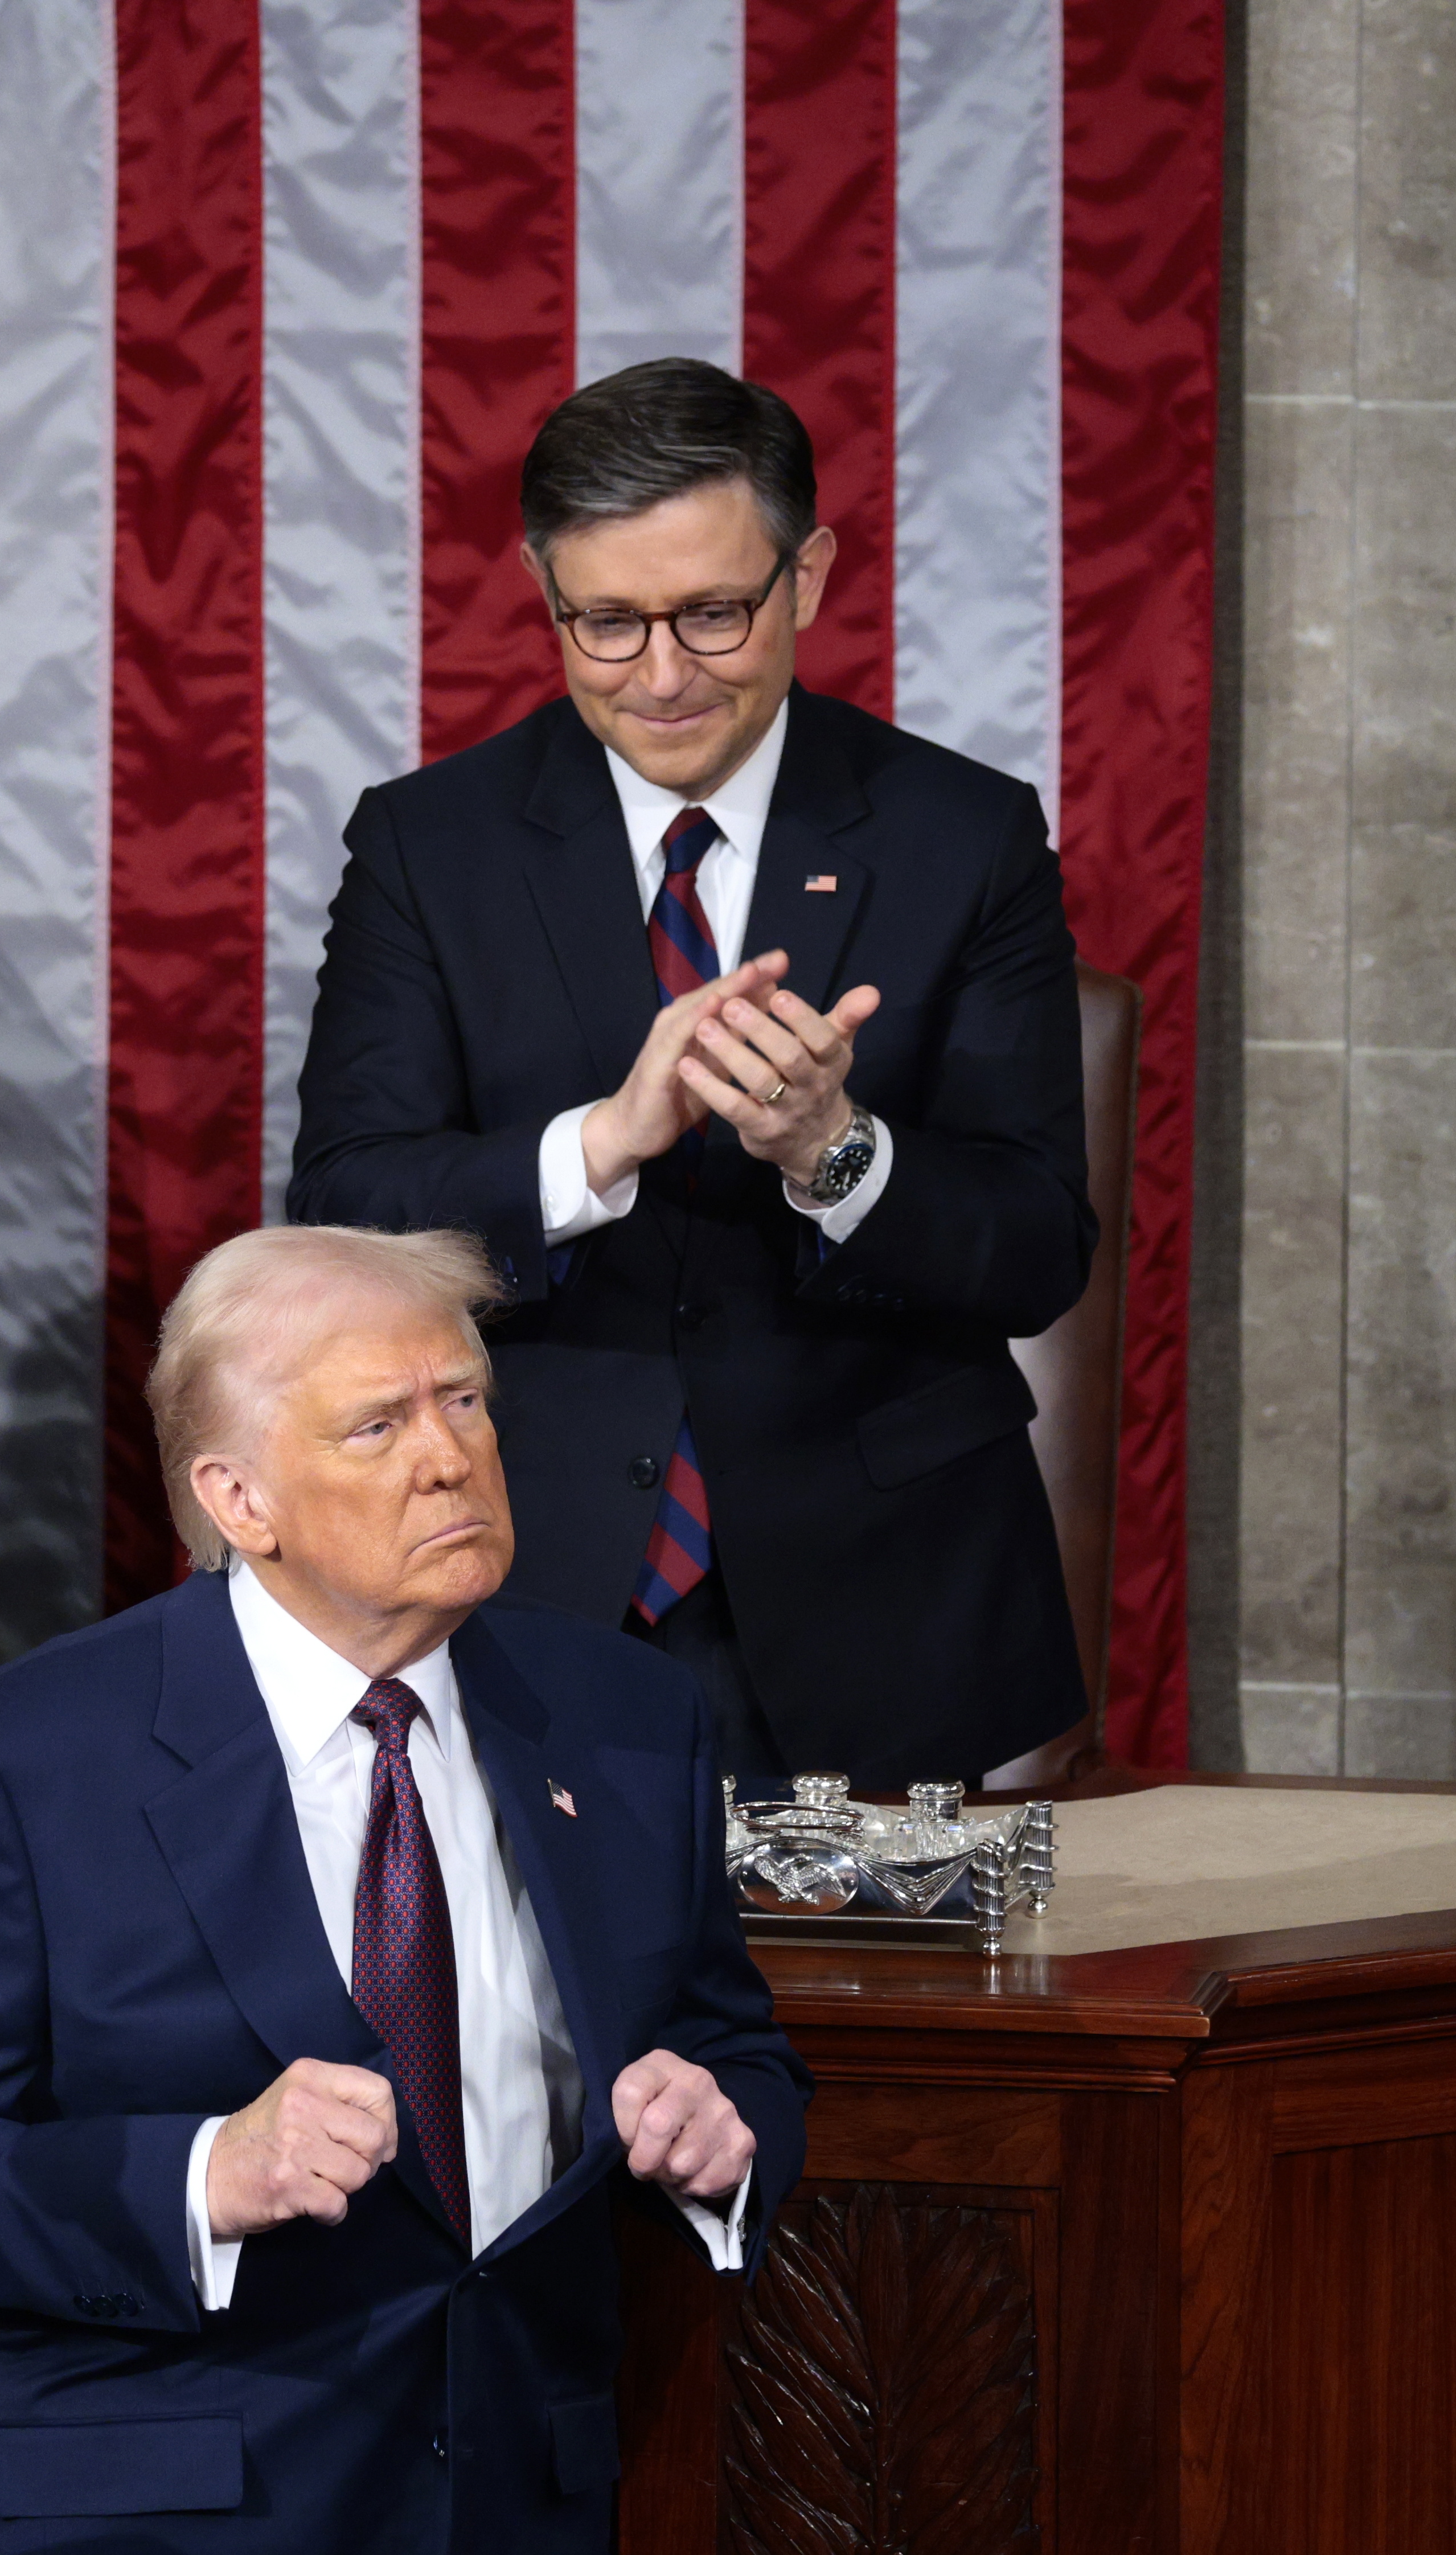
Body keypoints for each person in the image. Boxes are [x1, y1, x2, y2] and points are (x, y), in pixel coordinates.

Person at [0, 1225, 810, 2555]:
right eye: (377, 1424)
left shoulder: (627, 1719)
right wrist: (204, 2174)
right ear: (238, 1497)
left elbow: (733, 2046)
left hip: (514, 2541)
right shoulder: (24, 1763)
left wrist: (724, 2131)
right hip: (146, 2554)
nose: (448, 1456)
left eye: (462, 1400)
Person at [288, 359, 1093, 1790]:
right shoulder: (430, 845)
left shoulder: (961, 835)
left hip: (882, 1600)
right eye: (606, 623)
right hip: (522, 1573)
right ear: (545, 591)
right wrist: (596, 1145)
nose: (661, 675)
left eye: (713, 612)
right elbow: (347, 1202)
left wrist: (836, 1152)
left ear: (809, 575)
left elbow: (1035, 1249)